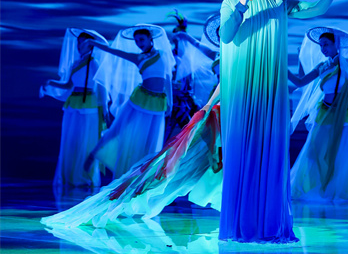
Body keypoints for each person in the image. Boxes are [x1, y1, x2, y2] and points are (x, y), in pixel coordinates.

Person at [218, 0, 347, 242]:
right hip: (242, 86)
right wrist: (241, 2)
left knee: (270, 150)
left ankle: (268, 225)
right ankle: (241, 224)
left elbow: (315, 9)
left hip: (270, 88)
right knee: (242, 149)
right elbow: (226, 35)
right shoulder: (230, 2)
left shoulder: (279, 2)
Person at [41, 85, 223, 228]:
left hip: (224, 110)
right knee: (172, 165)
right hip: (221, 112)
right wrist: (208, 105)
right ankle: (121, 199)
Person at [83, 24, 175, 180]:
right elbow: (113, 51)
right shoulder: (138, 58)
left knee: (150, 140)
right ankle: (93, 154)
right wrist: (93, 43)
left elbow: (167, 79)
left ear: (150, 39)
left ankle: (142, 176)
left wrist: (170, 102)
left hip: (158, 103)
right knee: (118, 129)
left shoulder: (163, 54)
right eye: (136, 41)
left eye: (142, 39)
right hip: (140, 100)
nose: (139, 43)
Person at [288, 26, 348, 202]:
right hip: (324, 112)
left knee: (345, 153)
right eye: (321, 45)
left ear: (335, 44)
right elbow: (300, 81)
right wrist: (287, 67)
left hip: (345, 114)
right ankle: (316, 186)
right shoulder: (322, 66)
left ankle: (339, 190)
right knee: (313, 151)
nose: (323, 48)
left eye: (326, 44)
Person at [40, 28, 109, 188]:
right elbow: (68, 85)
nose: (79, 46)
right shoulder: (75, 63)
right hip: (73, 104)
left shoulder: (94, 63)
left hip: (88, 105)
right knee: (70, 140)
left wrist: (104, 108)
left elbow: (102, 86)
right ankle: (70, 176)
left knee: (85, 141)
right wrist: (51, 83)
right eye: (78, 43)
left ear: (91, 45)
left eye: (83, 43)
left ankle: (84, 177)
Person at [165, 10, 217, 141]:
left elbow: (207, 53)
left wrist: (187, 37)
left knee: (191, 132)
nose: (178, 41)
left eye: (181, 38)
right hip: (173, 100)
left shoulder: (191, 56)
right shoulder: (170, 55)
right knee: (170, 132)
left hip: (185, 100)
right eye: (176, 38)